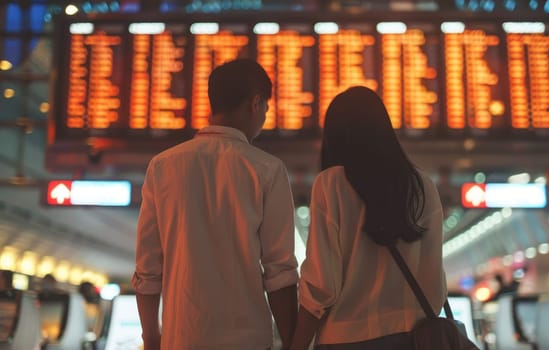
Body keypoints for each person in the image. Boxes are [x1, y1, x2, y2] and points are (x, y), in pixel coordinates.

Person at [132, 59, 299, 350]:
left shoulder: (162, 166)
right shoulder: (268, 170)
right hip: (248, 342)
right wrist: (293, 342)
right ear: (256, 103)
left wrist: (152, 338)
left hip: (181, 340)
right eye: (266, 109)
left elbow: (148, 271)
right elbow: (279, 273)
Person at [291, 86, 447, 350]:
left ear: (335, 136)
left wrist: (296, 344)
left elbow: (322, 285)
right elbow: (435, 286)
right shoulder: (422, 186)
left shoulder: (332, 184)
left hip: (345, 339)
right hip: (413, 338)